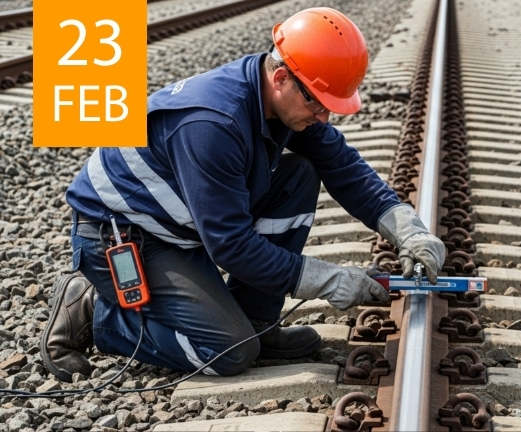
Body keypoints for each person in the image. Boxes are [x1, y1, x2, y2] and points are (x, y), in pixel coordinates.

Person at [40, 7, 445, 382]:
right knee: (228, 352)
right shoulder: (211, 125)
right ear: (282, 77)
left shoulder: (278, 99)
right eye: (318, 103)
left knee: (299, 175)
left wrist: (409, 230)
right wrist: (328, 280)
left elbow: (342, 166)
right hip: (124, 235)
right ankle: (95, 310)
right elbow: (230, 245)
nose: (325, 116)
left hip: (176, 225)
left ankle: (255, 321)